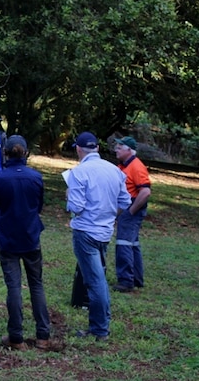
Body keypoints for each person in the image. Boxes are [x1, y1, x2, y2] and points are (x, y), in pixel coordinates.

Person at [66, 132, 131, 341]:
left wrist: (68, 196)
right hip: (105, 231)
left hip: (85, 232)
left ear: (78, 149)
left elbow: (76, 206)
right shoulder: (115, 171)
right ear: (98, 149)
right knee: (97, 277)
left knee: (95, 281)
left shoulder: (79, 172)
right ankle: (101, 321)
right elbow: (125, 202)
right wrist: (108, 216)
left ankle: (100, 329)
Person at [0, 136, 50, 350]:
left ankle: (16, 336)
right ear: (26, 153)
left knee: (13, 286)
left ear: (5, 153)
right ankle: (43, 334)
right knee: (36, 284)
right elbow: (38, 205)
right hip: (31, 236)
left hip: (8, 237)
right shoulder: (36, 177)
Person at [113, 136, 151, 293]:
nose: (116, 149)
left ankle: (126, 281)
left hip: (131, 208)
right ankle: (136, 278)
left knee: (123, 243)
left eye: (119, 147)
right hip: (128, 207)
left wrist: (131, 210)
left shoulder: (136, 166)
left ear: (129, 150)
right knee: (132, 243)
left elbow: (146, 191)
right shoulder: (123, 166)